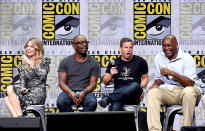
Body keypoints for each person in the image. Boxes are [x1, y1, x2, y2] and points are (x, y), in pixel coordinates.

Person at [147, 35, 201, 131]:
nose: (166, 48)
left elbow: (190, 83)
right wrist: (156, 84)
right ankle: (155, 129)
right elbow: (159, 78)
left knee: (188, 91)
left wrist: (172, 73)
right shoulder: (159, 57)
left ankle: (187, 128)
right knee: (152, 93)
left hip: (188, 91)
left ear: (176, 45)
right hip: (169, 92)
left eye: (169, 45)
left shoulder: (187, 58)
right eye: (164, 46)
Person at [98, 37, 149, 111]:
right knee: (115, 108)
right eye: (126, 47)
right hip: (118, 95)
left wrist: (141, 87)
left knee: (135, 85)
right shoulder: (114, 62)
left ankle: (108, 98)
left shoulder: (140, 61)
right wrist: (111, 74)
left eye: (130, 47)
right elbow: (105, 81)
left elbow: (145, 77)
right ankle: (111, 99)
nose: (128, 50)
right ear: (121, 48)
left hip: (134, 94)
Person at [4, 38, 50, 117]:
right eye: (27, 46)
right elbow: (23, 83)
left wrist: (30, 63)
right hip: (27, 94)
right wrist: (23, 89)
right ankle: (19, 118)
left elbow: (42, 75)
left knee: (9, 92)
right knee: (7, 97)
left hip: (38, 94)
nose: (28, 48)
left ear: (37, 48)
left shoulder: (44, 61)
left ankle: (20, 119)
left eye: (31, 46)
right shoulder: (22, 67)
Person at [57, 35, 100, 112]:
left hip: (86, 92)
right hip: (68, 92)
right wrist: (71, 93)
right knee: (61, 102)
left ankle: (79, 121)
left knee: (92, 102)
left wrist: (83, 92)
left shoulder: (94, 63)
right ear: (74, 46)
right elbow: (61, 83)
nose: (84, 45)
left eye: (86, 42)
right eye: (80, 43)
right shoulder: (65, 62)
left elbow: (93, 84)